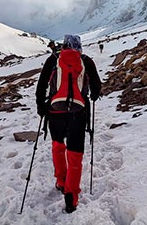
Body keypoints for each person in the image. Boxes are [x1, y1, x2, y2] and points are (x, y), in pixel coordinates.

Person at [35, 34, 103, 214]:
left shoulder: (54, 59)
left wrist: (41, 106)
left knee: (58, 146)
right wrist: (93, 96)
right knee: (75, 154)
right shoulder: (86, 61)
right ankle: (71, 196)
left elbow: (41, 85)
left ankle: (61, 181)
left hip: (55, 112)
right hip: (78, 113)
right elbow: (96, 87)